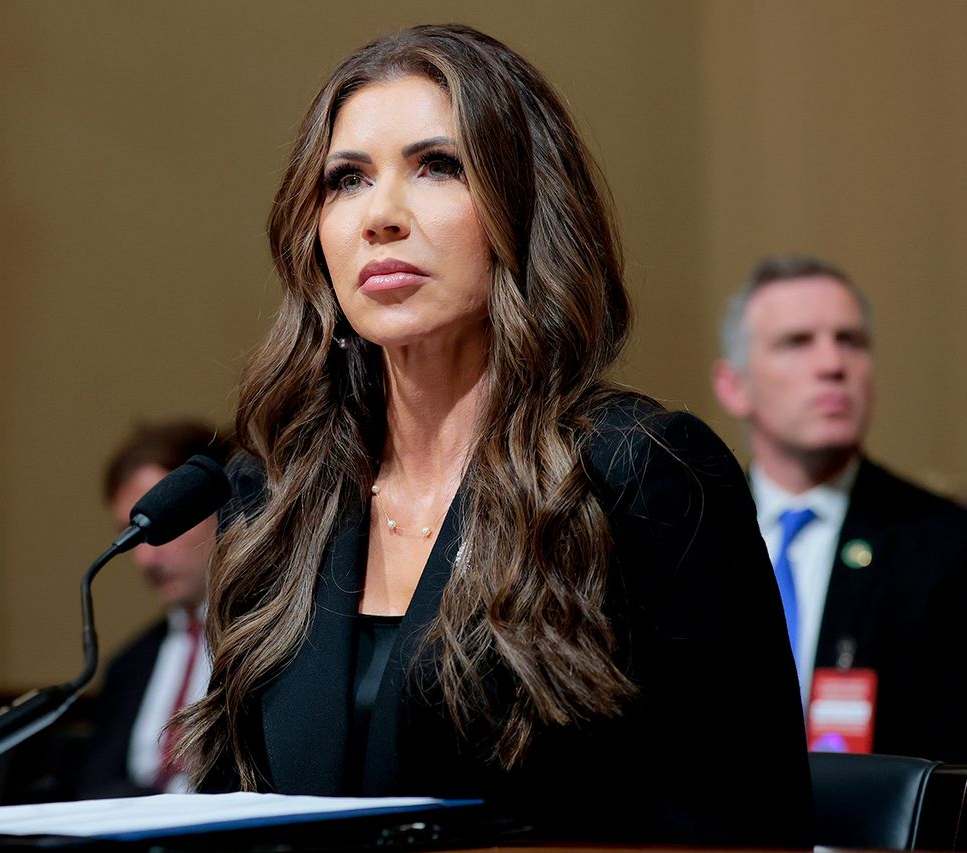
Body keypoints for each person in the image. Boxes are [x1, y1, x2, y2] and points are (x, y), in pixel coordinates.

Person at [172, 25, 811, 846]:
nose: (382, 216)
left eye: (438, 166)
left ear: (522, 204)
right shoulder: (275, 497)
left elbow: (746, 825)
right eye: (346, 180)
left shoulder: (641, 473)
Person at [711, 253, 967, 766]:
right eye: (797, 342)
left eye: (850, 341)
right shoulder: (688, 538)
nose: (833, 364)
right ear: (734, 386)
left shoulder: (953, 548)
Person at [73, 419, 231, 798]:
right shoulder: (128, 666)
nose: (145, 560)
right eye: (132, 535)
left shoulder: (278, 644)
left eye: (159, 529)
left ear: (222, 508)